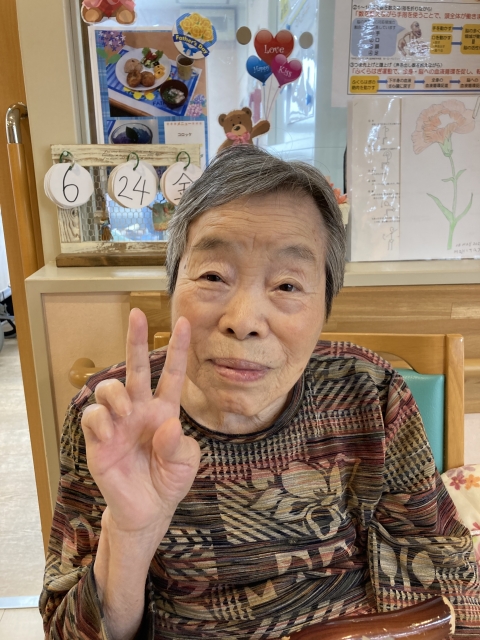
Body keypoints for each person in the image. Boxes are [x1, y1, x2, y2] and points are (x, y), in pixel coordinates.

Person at [40, 146, 480, 639]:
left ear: (325, 307)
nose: (244, 320)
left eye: (288, 285)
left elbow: (447, 576)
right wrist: (130, 535)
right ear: (173, 287)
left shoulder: (369, 394)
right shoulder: (112, 417)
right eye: (213, 276)